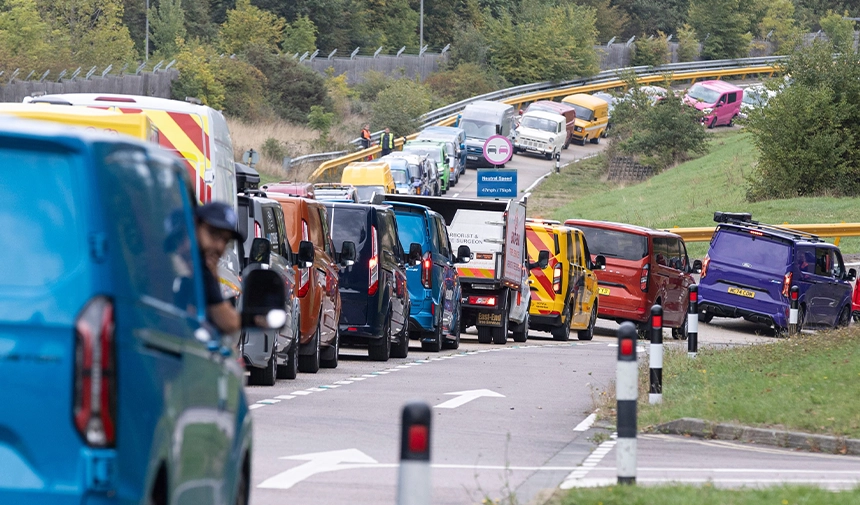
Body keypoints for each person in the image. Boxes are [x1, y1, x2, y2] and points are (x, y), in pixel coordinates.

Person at [196, 202, 243, 334]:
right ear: (194, 226)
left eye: (226, 241)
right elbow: (229, 323)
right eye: (214, 234)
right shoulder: (196, 271)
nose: (220, 247)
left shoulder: (202, 273)